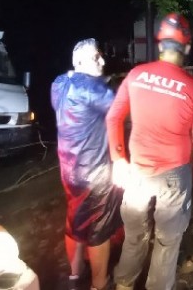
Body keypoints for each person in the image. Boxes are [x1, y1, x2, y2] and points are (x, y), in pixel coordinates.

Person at [106, 13, 193, 290]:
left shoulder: (136, 75)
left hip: (137, 172)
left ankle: (124, 284)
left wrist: (118, 159)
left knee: (134, 235)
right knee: (168, 240)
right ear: (187, 48)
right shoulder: (192, 88)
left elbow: (113, 118)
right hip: (174, 176)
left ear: (160, 45)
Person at [51, 38, 121, 290]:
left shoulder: (58, 83)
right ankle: (99, 284)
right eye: (95, 57)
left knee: (74, 222)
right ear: (80, 62)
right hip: (96, 176)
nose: (102, 61)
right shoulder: (96, 90)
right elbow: (122, 110)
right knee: (98, 230)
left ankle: (74, 275)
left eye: (101, 55)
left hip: (69, 171)